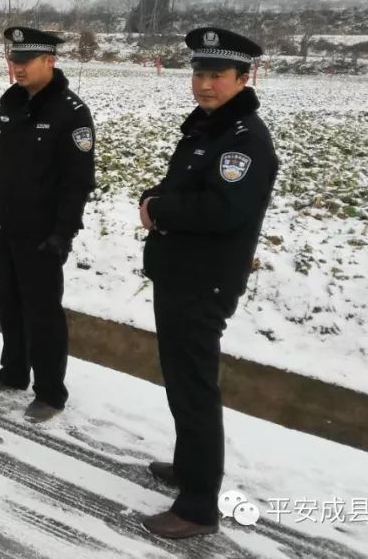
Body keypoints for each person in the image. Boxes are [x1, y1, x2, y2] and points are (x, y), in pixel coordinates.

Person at [138, 27, 278, 539]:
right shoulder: (208, 130)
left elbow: (222, 208)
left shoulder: (244, 141)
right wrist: (155, 197)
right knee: (180, 379)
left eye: (217, 75)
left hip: (204, 283)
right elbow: (184, 186)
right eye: (199, 73)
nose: (204, 84)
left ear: (244, 77)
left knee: (195, 388)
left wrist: (160, 210)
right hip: (180, 274)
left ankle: (198, 507)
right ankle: (187, 467)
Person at [0, 26, 95, 422]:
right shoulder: (11, 102)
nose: (18, 68)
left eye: (25, 62)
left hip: (43, 234)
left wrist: (63, 233)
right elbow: (2, 160)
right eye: (14, 61)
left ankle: (50, 392)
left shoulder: (71, 113)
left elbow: (77, 183)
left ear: (50, 61)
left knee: (43, 313)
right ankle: (13, 372)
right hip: (7, 226)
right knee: (9, 304)